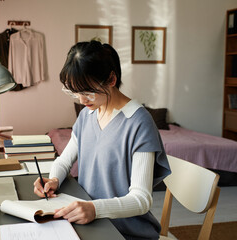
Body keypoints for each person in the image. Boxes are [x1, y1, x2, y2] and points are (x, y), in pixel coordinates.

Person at [33, 41, 171, 240]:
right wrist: (53, 179)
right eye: (75, 92)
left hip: (125, 231)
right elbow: (64, 161)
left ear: (111, 79)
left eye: (87, 92)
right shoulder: (87, 115)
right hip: (91, 224)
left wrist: (94, 209)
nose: (81, 100)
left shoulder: (139, 123)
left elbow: (142, 200)